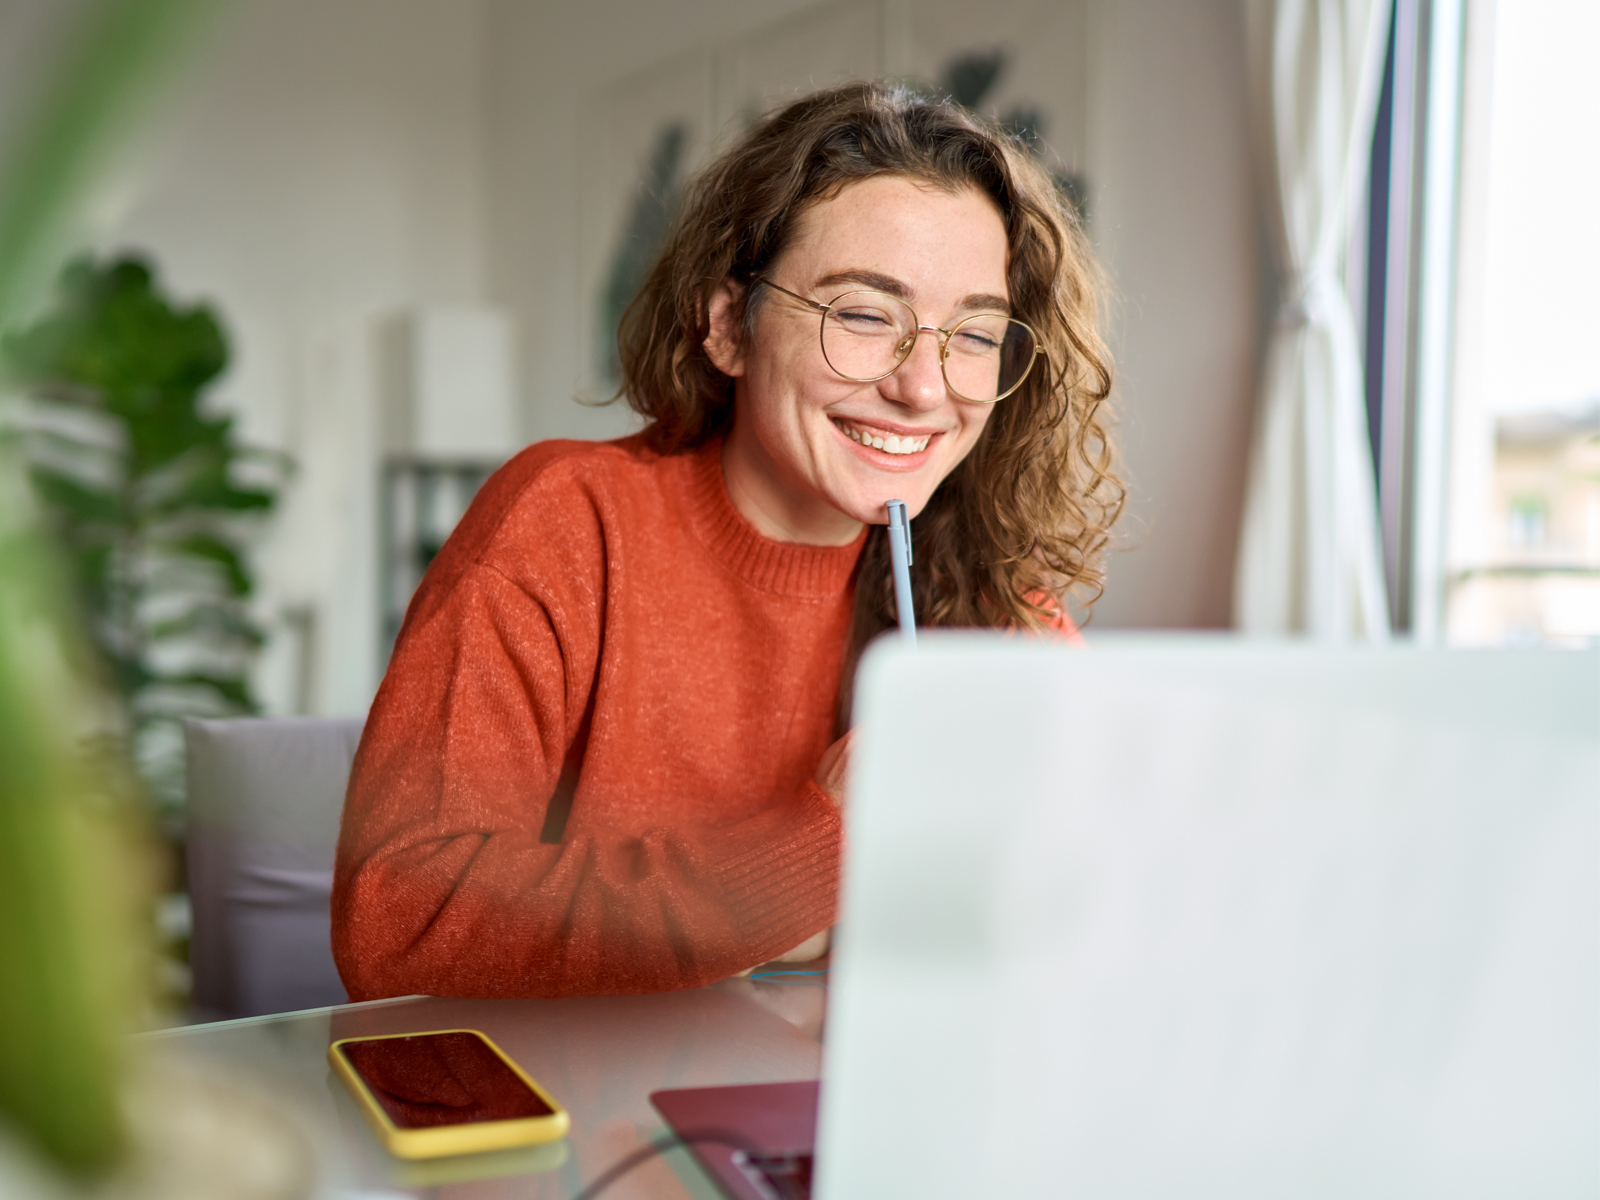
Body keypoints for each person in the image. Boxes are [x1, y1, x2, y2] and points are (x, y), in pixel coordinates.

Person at [332, 82, 1122, 1000]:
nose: (923, 387)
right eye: (864, 315)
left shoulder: (988, 586)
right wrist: (818, 848)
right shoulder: (564, 523)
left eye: (975, 334)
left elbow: (1087, 898)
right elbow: (396, 920)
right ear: (726, 326)